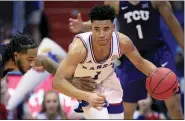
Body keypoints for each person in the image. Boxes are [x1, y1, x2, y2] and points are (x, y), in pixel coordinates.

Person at [68, 1, 184, 119]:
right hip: (131, 57)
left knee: (174, 105)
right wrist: (82, 26)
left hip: (158, 53)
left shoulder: (157, 1)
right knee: (127, 111)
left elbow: (174, 27)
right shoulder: (114, 3)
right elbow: (102, 23)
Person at [0, 32, 103, 108]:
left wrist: (74, 81)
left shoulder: (18, 56)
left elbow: (45, 61)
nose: (32, 64)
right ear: (16, 56)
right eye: (29, 60)